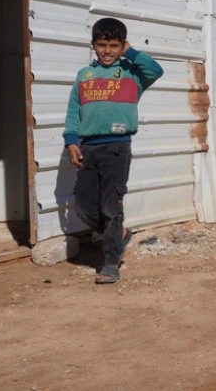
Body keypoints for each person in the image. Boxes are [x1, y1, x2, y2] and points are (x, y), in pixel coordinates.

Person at [64, 18, 164, 284]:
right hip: (88, 147)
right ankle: (118, 232)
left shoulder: (133, 74)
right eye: (102, 45)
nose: (107, 51)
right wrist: (71, 141)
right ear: (94, 45)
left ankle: (110, 263)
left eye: (113, 45)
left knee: (111, 206)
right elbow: (74, 110)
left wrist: (131, 52)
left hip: (117, 148)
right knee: (85, 208)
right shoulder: (84, 75)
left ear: (121, 46)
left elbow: (156, 70)